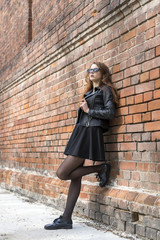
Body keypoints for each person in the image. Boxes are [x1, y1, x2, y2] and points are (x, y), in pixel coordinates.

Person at [44, 62, 119, 230]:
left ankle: (100, 168)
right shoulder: (90, 91)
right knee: (74, 177)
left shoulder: (105, 90)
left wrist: (88, 111)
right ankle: (66, 219)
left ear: (103, 72)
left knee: (62, 173)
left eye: (95, 69)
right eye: (89, 70)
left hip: (90, 133)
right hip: (81, 132)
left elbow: (110, 113)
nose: (91, 72)